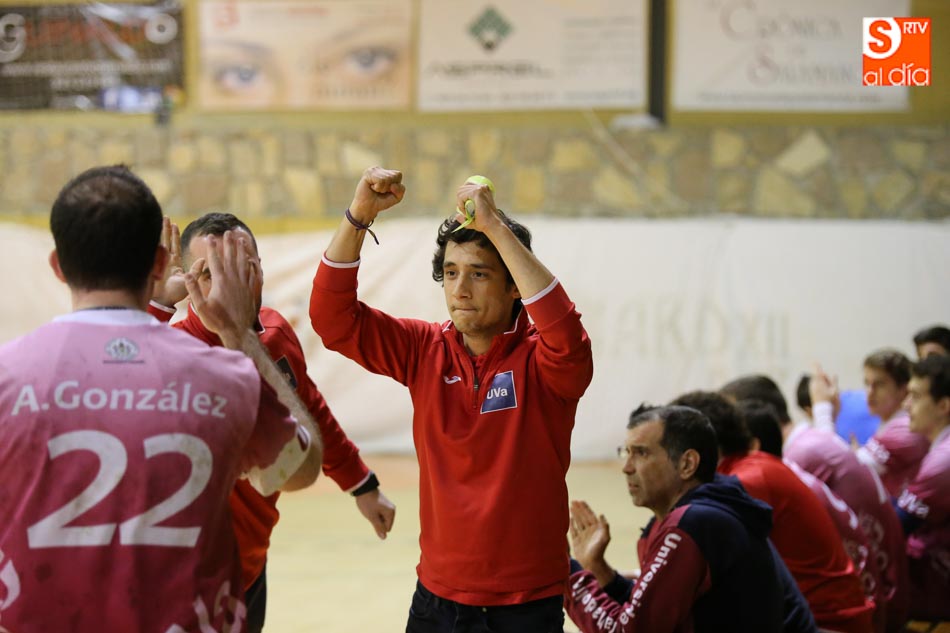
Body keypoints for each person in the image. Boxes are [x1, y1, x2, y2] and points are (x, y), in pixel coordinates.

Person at [0, 165, 322, 632]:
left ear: (58, 266)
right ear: (158, 264)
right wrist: (240, 335)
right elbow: (302, 469)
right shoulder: (226, 377)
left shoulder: (8, 376)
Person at [309, 167, 593, 632]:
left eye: (479, 274)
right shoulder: (423, 349)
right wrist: (359, 215)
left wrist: (494, 227)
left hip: (527, 604)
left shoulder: (546, 362)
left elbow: (568, 337)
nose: (460, 290)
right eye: (450, 273)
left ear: (514, 287)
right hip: (436, 600)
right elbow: (332, 319)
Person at [148, 212, 396, 633]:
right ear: (187, 282)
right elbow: (114, 369)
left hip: (251, 565)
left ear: (261, 269)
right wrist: (157, 305)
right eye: (209, 273)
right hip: (186, 577)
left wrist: (361, 484)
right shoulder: (170, 351)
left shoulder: (275, 333)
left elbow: (310, 409)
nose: (227, 286)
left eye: (241, 267)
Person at [566, 404, 812, 633]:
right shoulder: (710, 511)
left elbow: (629, 630)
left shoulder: (692, 524)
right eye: (626, 453)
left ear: (687, 464)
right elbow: (652, 614)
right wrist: (598, 569)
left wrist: (564, 571)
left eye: (641, 453)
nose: (626, 467)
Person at [672, 390, 873, 633]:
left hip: (828, 623)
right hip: (835, 614)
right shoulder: (754, 466)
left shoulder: (744, 482)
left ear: (694, 451)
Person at [896, 354, 950, 621]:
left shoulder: (945, 459)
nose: (906, 404)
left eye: (915, 396)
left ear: (943, 406)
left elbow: (897, 523)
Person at [856, 349, 929, 498]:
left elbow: (848, 471)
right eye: (867, 383)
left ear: (904, 390)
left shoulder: (906, 428)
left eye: (879, 385)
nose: (870, 392)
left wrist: (823, 408)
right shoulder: (889, 422)